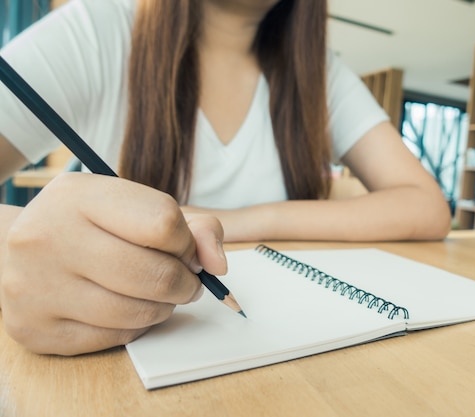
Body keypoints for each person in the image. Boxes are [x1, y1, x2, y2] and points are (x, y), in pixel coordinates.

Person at [0, 0, 451, 356]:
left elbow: (425, 206)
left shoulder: (322, 74)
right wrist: (17, 244)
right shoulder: (94, 33)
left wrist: (233, 221)